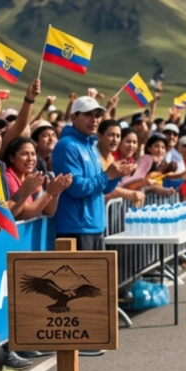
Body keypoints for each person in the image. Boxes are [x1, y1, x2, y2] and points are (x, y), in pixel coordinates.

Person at [51, 96, 134, 253]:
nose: (94, 120)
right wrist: (107, 175)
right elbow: (76, 188)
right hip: (75, 228)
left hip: (94, 226)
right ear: (74, 117)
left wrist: (116, 175)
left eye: (97, 115)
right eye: (88, 115)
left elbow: (103, 189)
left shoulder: (90, 145)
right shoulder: (66, 145)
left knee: (97, 278)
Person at [3, 136, 70, 219]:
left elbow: (47, 211)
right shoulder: (8, 177)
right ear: (12, 158)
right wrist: (48, 194)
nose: (30, 159)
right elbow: (23, 214)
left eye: (33, 154)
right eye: (24, 154)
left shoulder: (32, 176)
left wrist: (54, 194)